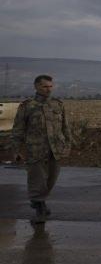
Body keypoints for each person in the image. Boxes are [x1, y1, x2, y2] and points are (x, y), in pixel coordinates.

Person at [11, 74, 70, 223]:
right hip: (36, 150)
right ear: (36, 87)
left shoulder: (58, 105)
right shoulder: (27, 106)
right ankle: (40, 208)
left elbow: (65, 127)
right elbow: (18, 129)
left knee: (51, 179)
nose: (48, 89)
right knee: (37, 180)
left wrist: (68, 145)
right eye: (45, 86)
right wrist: (16, 150)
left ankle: (38, 201)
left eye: (50, 86)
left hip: (55, 149)